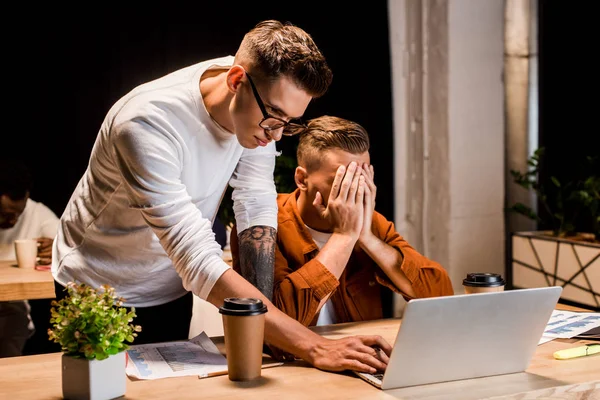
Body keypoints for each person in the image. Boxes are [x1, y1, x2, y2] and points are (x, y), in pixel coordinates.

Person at [52, 20, 390, 373]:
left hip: (169, 287)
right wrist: (315, 347)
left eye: (289, 123)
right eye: (274, 117)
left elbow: (255, 200)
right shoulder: (145, 123)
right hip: (96, 287)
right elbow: (195, 256)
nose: (276, 136)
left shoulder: (257, 110)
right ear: (235, 81)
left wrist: (267, 330)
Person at [231, 116, 454, 328]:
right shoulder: (264, 225)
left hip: (359, 354)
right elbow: (278, 325)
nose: (355, 190)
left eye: (361, 178)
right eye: (342, 180)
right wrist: (344, 237)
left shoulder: (372, 224)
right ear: (302, 179)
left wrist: (366, 237)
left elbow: (439, 296)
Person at [0, 159, 59, 357]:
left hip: (10, 308)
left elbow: (64, 240)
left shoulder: (36, 213)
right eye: (6, 215)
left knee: (15, 319)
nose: (14, 221)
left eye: (19, 214)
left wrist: (57, 247)